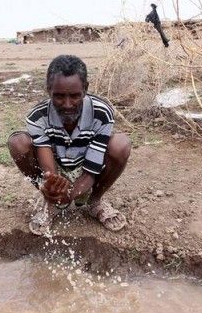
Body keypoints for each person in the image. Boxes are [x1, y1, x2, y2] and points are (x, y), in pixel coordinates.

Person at [8, 55, 131, 235]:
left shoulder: (101, 112)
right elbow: (49, 170)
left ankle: (95, 201)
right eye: (58, 96)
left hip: (87, 167)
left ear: (85, 89)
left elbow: (91, 170)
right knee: (17, 142)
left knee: (121, 144)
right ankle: (50, 202)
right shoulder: (38, 116)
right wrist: (52, 187)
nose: (67, 104)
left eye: (75, 96)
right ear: (48, 90)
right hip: (56, 166)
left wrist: (70, 195)